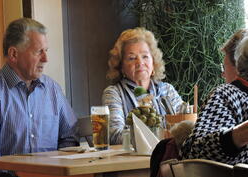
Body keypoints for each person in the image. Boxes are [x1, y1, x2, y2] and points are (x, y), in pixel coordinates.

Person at [0, 18, 79, 177]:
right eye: (38, 52)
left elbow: (69, 138)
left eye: (46, 51)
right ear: (14, 54)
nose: (46, 59)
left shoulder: (53, 89)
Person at [102, 27, 183, 144]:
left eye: (145, 56)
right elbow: (115, 136)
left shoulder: (166, 89)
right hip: (132, 160)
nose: (140, 62)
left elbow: (184, 126)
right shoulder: (114, 93)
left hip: (169, 157)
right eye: (132, 58)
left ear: (153, 62)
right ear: (121, 66)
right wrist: (160, 135)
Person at [180, 31, 248, 165]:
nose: (223, 73)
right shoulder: (228, 95)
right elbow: (195, 155)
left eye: (224, 67)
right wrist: (241, 134)